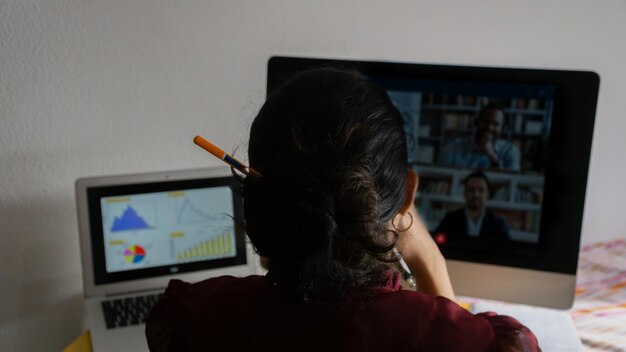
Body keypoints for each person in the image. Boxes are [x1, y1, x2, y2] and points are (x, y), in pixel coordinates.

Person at [146, 68, 539, 351]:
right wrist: (429, 261)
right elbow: (457, 339)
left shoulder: (196, 317)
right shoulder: (456, 339)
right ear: (406, 196)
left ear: (260, 197)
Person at [438, 104, 521, 171]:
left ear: (503, 128)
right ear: (476, 123)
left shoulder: (510, 151)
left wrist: (491, 156)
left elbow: (511, 185)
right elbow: (438, 177)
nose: (489, 127)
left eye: (496, 124)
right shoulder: (453, 147)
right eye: (485, 122)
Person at [435, 171, 510, 243]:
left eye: (481, 190)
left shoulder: (499, 224)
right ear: (465, 193)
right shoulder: (450, 219)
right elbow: (436, 243)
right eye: (471, 190)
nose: (476, 194)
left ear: (487, 194)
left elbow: (506, 251)